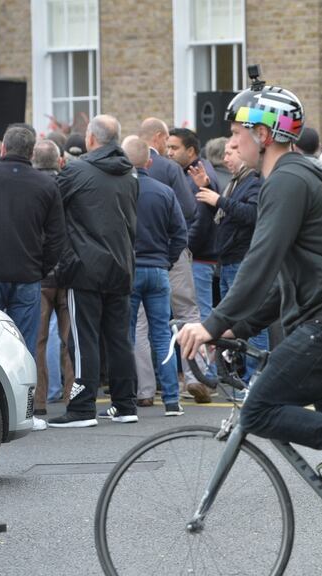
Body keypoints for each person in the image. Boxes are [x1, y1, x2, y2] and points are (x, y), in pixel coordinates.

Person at [175, 78, 322, 512]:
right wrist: (236, 328)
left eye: (239, 133)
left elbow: (259, 263)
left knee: (258, 410)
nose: (233, 142)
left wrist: (211, 323)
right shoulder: (298, 179)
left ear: (263, 134)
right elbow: (284, 285)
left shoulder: (286, 182)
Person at [49, 115, 139, 428]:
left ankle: (82, 408)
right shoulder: (130, 174)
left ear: (90, 139)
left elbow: (51, 205)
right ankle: (125, 404)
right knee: (119, 339)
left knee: (83, 338)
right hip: (121, 265)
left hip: (85, 267)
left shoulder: (75, 170)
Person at [0, 125, 66, 356]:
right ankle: (22, 392)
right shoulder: (47, 185)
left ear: (3, 149)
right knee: (23, 349)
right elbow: (57, 236)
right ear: (31, 153)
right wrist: (41, 268)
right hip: (27, 275)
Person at [188, 134, 267, 385]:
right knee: (235, 321)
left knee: (252, 322)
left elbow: (252, 214)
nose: (226, 159)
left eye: (230, 153)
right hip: (229, 261)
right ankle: (239, 373)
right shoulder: (236, 182)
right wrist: (210, 191)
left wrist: (218, 198)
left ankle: (255, 375)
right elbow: (227, 214)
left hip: (242, 260)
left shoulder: (253, 181)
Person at [139, 117, 204, 399]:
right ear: (157, 138)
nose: (168, 148)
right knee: (187, 313)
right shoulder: (169, 168)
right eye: (166, 141)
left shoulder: (122, 169)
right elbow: (189, 209)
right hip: (171, 252)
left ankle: (143, 388)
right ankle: (196, 375)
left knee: (139, 323)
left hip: (136, 256)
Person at [123, 137, 188, 416]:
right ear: (149, 161)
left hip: (130, 270)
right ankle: (172, 401)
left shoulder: (121, 191)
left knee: (127, 336)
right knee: (162, 335)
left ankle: (126, 402)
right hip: (159, 270)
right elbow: (180, 234)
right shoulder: (164, 191)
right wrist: (167, 260)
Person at [31, 139, 75, 415]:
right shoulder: (72, 185)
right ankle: (73, 397)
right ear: (60, 161)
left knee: (39, 339)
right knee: (71, 339)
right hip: (68, 270)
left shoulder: (29, 187)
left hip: (40, 271)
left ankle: (39, 402)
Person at [170, 127, 220, 322]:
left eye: (174, 147)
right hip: (195, 256)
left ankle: (203, 353)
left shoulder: (199, 174)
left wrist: (184, 249)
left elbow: (201, 219)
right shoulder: (189, 172)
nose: (169, 152)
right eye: (168, 147)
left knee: (199, 316)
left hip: (197, 258)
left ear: (190, 151)